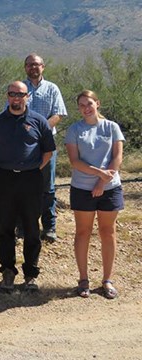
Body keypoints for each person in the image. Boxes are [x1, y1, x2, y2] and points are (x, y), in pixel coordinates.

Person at [0, 81, 55, 292]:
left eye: (21, 94)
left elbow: (48, 151)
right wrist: (8, 167)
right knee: (5, 227)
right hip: (4, 178)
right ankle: (7, 271)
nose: (16, 98)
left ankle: (30, 273)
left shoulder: (39, 121)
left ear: (27, 97)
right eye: (12, 93)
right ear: (7, 96)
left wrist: (33, 168)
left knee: (32, 227)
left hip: (31, 179)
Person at [65, 90, 124, 299]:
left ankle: (107, 280)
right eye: (81, 105)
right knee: (83, 232)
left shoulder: (112, 127)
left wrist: (101, 182)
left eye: (89, 103)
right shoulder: (74, 130)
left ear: (97, 103)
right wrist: (98, 173)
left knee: (108, 232)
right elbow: (75, 161)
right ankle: (83, 279)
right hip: (82, 188)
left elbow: (117, 157)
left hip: (109, 187)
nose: (86, 108)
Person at [22, 53, 67, 242]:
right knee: (23, 186)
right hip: (24, 145)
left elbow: (59, 113)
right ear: (25, 67)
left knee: (47, 187)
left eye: (37, 64)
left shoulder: (52, 88)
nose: (33, 67)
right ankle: (24, 226)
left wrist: (39, 131)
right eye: (30, 64)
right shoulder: (20, 88)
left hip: (47, 144)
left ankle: (49, 227)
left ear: (43, 67)